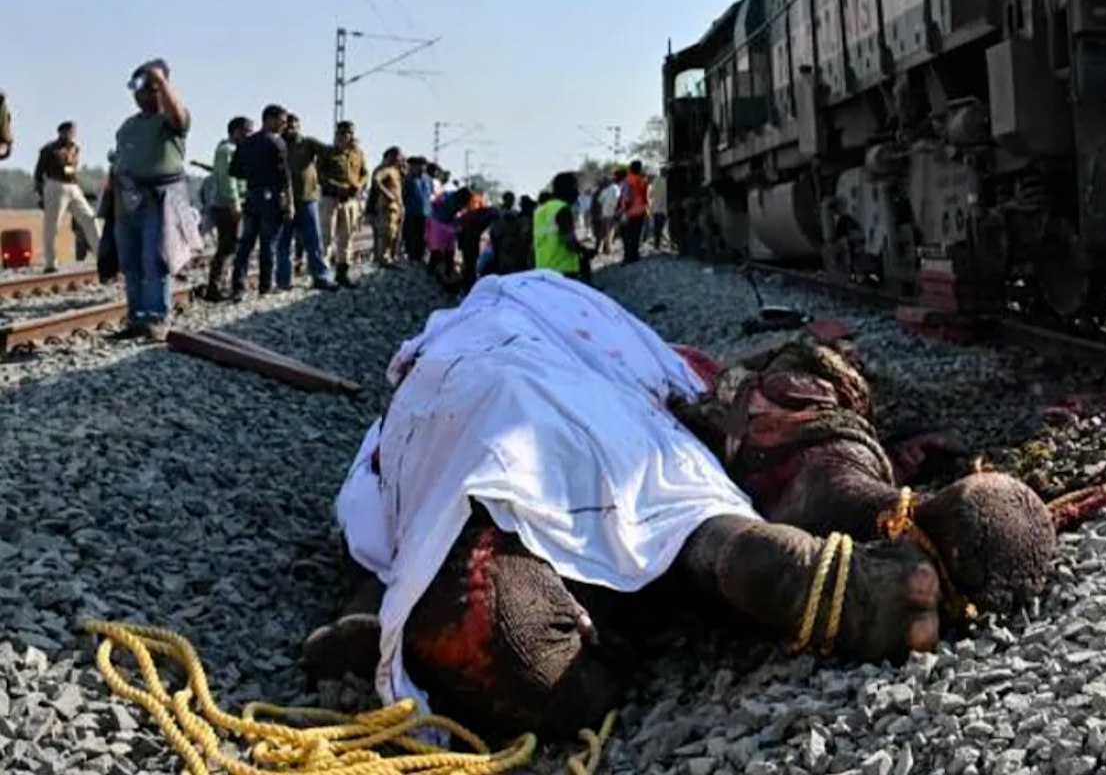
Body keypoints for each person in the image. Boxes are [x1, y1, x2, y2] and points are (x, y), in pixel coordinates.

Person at [299, 272, 1049, 737]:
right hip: (582, 363)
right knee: (663, 459)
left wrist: (371, 596)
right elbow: (697, 389)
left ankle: (635, 597)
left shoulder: (447, 345)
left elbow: (370, 507)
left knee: (485, 493)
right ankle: (770, 530)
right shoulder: (594, 321)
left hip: (478, 387)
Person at [109, 59, 192, 341]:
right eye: (137, 89)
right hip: (128, 199)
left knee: (154, 259)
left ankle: (156, 318)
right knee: (131, 261)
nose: (140, 95)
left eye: (148, 88)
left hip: (160, 199)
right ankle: (136, 318)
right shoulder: (128, 126)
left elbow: (178, 115)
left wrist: (162, 80)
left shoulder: (170, 121)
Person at [231, 105, 292, 298]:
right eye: (282, 121)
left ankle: (238, 287)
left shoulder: (246, 143)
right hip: (271, 197)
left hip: (252, 195)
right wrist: (289, 202)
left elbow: (235, 171)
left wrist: (254, 174)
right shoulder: (277, 142)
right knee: (268, 243)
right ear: (270, 119)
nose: (284, 125)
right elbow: (285, 176)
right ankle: (265, 287)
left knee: (246, 243)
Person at [275, 114, 337, 291]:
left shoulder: (308, 143)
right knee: (284, 243)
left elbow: (330, 153)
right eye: (287, 125)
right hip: (285, 201)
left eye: (294, 125)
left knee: (313, 240)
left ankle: (320, 277)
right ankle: (283, 281)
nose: (291, 129)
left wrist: (323, 177)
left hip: (307, 199)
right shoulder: (278, 144)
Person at [191, 116, 250, 300]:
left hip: (229, 204)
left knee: (229, 248)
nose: (249, 135)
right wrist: (235, 203)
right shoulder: (227, 150)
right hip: (226, 206)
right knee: (227, 248)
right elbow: (228, 179)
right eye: (247, 131)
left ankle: (218, 286)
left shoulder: (233, 150)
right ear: (236, 131)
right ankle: (215, 288)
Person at [34, 121, 101, 272]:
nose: (71, 135)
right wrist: (41, 194)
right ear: (61, 132)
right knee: (52, 226)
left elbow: (71, 170)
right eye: (68, 132)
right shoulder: (49, 149)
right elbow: (39, 174)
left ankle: (102, 257)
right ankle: (50, 263)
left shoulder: (75, 149)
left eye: (72, 132)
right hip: (55, 185)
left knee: (90, 218)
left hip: (72, 186)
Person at [317, 121, 368, 287]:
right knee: (327, 237)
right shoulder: (327, 152)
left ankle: (342, 273)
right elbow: (319, 175)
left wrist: (359, 185)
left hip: (350, 201)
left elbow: (365, 174)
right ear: (337, 134)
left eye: (350, 133)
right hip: (330, 199)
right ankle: (323, 274)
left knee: (347, 237)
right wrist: (337, 187)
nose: (346, 136)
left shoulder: (357, 154)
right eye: (343, 133)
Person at [533, 171, 596, 281]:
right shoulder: (562, 209)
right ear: (569, 189)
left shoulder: (539, 211)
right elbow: (570, 243)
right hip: (563, 271)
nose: (577, 193)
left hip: (543, 271)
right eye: (575, 188)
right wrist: (587, 252)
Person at [367, 148, 405, 268]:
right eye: (399, 156)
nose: (401, 159)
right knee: (387, 233)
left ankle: (392, 257)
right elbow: (376, 180)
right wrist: (387, 193)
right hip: (387, 207)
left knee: (394, 234)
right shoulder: (385, 169)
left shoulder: (396, 171)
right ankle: (383, 258)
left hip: (397, 207)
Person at [619, 162, 651, 264]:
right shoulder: (644, 180)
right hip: (641, 210)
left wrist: (623, 211)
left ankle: (628, 257)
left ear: (630, 169)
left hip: (630, 212)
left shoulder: (628, 180)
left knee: (626, 236)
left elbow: (626, 197)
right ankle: (635, 255)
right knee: (636, 235)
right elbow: (646, 197)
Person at [401, 157, 431, 264]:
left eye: (423, 166)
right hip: (411, 212)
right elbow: (403, 195)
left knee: (423, 236)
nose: (421, 169)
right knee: (411, 235)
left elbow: (430, 194)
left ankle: (421, 256)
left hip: (426, 212)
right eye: (419, 166)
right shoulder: (408, 179)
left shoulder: (428, 179)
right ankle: (412, 257)